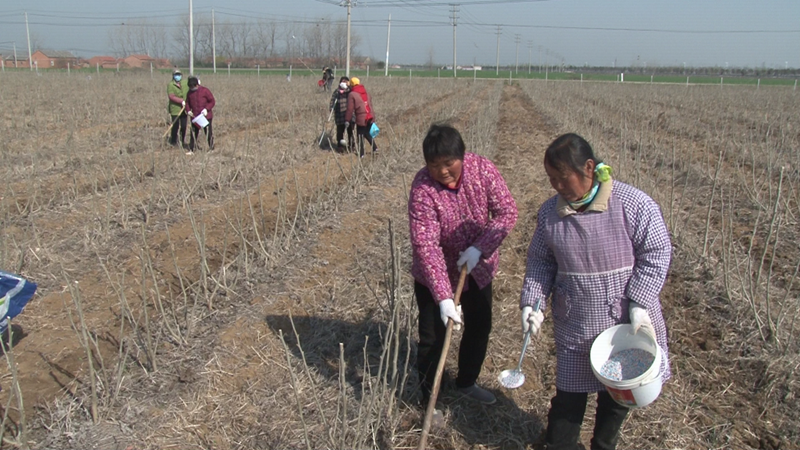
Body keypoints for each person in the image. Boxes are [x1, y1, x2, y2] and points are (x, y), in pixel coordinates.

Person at [519, 133, 672, 450]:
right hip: (576, 322)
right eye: (551, 179)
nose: (556, 187)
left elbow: (656, 253)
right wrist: (533, 304)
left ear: (589, 168)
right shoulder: (550, 215)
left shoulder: (633, 204)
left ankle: (604, 445)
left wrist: (640, 303)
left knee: (616, 400)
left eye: (562, 179)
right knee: (567, 403)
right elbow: (540, 261)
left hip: (624, 326)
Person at [409, 124, 518, 408]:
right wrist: (444, 297)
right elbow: (426, 245)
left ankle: (467, 382)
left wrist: (480, 247)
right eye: (434, 165)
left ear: (462, 155)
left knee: (479, 326)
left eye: (449, 163)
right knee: (432, 339)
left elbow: (507, 211)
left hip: (477, 269)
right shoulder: (423, 189)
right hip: (435, 277)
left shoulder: (482, 169)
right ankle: (430, 399)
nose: (442, 171)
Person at [344, 77, 377, 157]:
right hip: (370, 116)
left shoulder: (352, 94)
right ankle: (375, 148)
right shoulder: (366, 92)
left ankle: (361, 154)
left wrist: (347, 120)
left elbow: (350, 109)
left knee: (360, 135)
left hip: (361, 117)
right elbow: (370, 105)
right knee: (366, 133)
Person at [185, 76, 216, 153]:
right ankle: (191, 149)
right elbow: (187, 103)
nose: (192, 88)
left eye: (193, 86)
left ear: (197, 85)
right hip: (195, 117)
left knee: (208, 132)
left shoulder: (205, 91)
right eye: (190, 87)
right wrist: (188, 111)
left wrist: (207, 109)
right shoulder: (189, 93)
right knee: (193, 133)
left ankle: (211, 148)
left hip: (206, 116)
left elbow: (212, 101)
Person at [330, 76, 354, 153]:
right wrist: (331, 108)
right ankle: (340, 147)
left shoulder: (350, 91)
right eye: (342, 81)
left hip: (349, 115)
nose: (344, 83)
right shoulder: (336, 92)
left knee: (350, 131)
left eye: (345, 81)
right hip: (339, 115)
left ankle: (351, 146)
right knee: (340, 132)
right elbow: (332, 101)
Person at [166, 68, 189, 148]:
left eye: (179, 75)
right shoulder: (171, 85)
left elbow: (193, 83)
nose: (178, 76)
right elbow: (171, 96)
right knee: (175, 125)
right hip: (175, 109)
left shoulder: (185, 83)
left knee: (183, 126)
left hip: (184, 108)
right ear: (173, 76)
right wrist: (181, 101)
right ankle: (173, 141)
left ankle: (182, 140)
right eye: (176, 75)